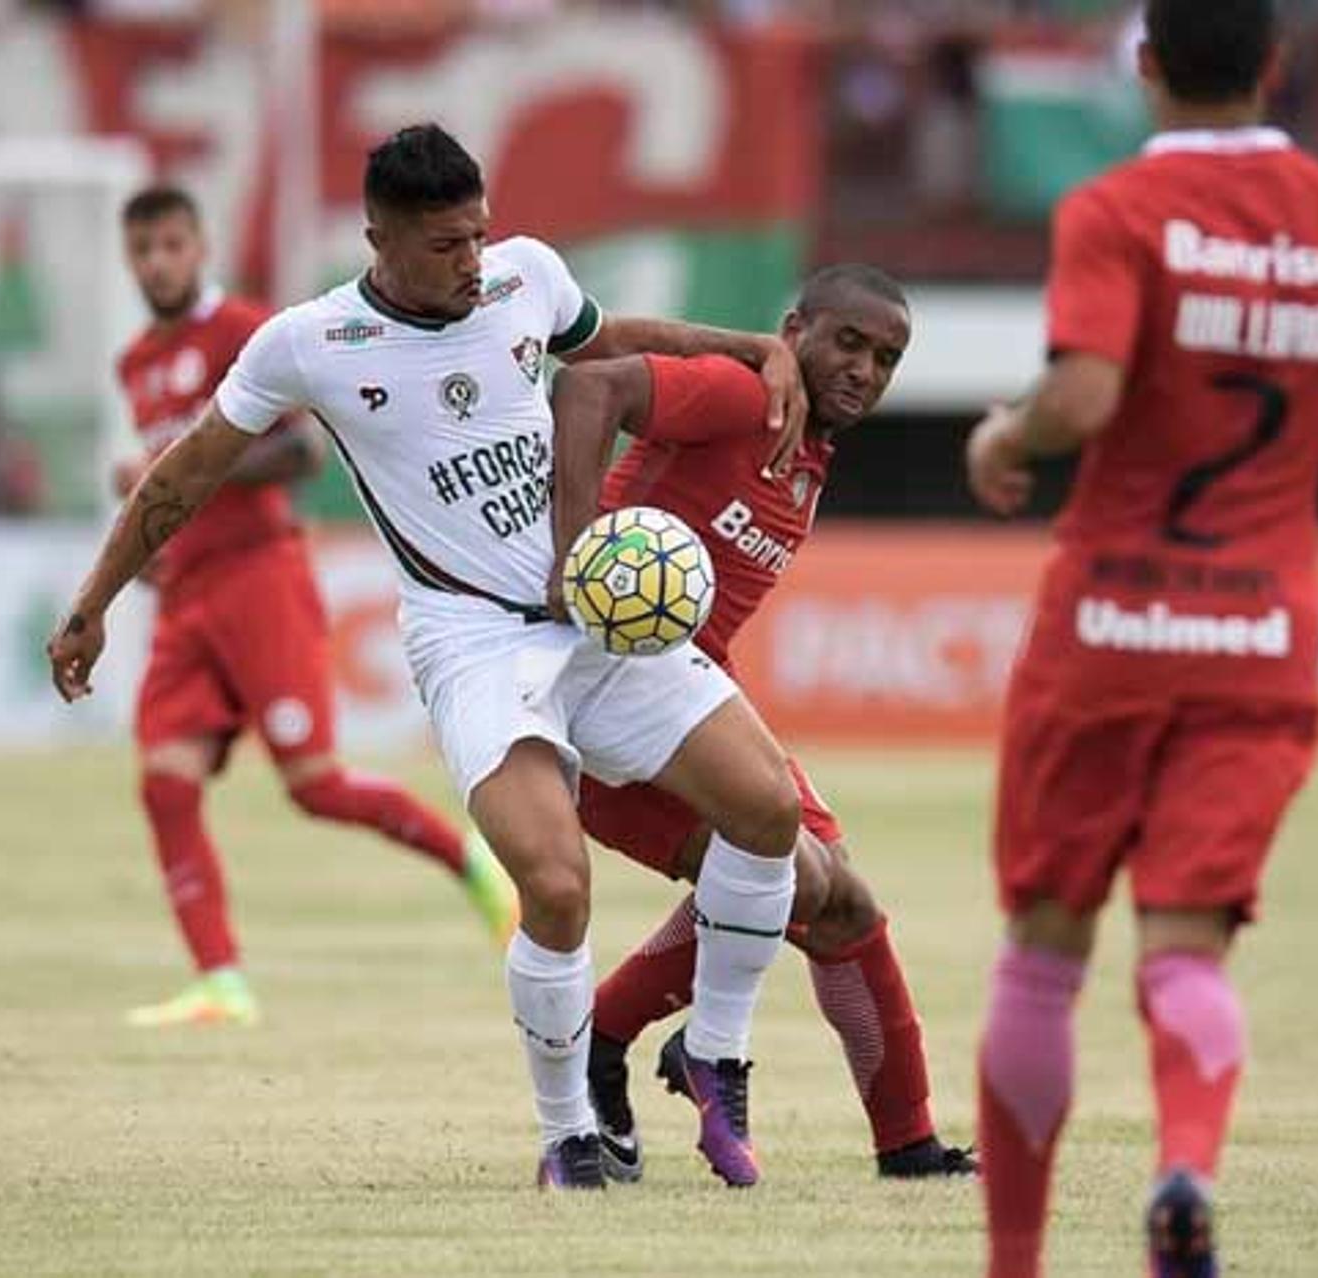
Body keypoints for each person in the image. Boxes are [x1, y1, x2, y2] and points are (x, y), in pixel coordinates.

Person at [47, 124, 813, 1191]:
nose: (475, 261)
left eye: (481, 234)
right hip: (472, 640)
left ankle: (715, 1051)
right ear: (381, 240)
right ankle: (567, 1137)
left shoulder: (523, 278)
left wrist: (753, 347)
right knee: (554, 885)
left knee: (768, 810)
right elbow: (181, 476)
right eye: (449, 245)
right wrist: (93, 605)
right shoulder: (307, 343)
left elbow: (612, 335)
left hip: (589, 609)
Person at [963, 2, 1318, 1273]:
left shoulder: (1116, 211)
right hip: (1260, 639)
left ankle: (1015, 1260)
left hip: (1108, 628)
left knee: (1043, 953)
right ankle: (1185, 1166)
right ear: (1274, 66)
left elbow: (1084, 396)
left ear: (1145, 65)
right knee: (1185, 949)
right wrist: (1300, 396)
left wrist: (1003, 436)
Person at [547, 265, 975, 1183]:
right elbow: (591, 384)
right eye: (849, 344)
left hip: (698, 694)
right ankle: (624, 1041)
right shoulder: (745, 397)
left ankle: (907, 1146)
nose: (865, 371)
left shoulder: (810, 447)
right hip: (607, 706)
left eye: (888, 359)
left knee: (842, 902)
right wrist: (574, 552)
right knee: (799, 881)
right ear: (795, 331)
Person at [107, 185, 517, 1029]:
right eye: (144, 250)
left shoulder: (246, 333)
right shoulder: (136, 362)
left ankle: (471, 861)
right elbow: (165, 489)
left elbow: (296, 452)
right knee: (165, 783)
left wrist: (182, 472)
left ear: (202, 245)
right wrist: (154, 539)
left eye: (172, 245)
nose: (158, 263)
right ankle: (220, 980)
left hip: (260, 577)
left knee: (316, 786)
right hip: (188, 597)